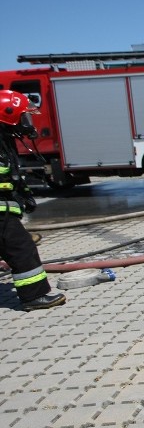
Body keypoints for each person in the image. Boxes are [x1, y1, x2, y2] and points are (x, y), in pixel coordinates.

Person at [0, 90, 66, 311]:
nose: (26, 123)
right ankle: (33, 296)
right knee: (22, 249)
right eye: (23, 117)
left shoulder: (4, 140)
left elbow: (11, 175)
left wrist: (24, 194)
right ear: (8, 116)